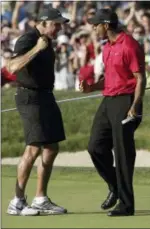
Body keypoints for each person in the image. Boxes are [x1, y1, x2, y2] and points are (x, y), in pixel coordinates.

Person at [80, 9, 146, 217]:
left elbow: (140, 78)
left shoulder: (129, 45)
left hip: (126, 101)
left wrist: (135, 105)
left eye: (96, 25)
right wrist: (92, 87)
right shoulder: (107, 47)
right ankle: (115, 186)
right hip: (108, 100)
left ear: (106, 25)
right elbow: (109, 78)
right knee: (95, 147)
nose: (94, 28)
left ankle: (126, 205)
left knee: (123, 154)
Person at [6, 7, 70, 216]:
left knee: (51, 147)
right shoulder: (28, 39)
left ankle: (40, 198)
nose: (59, 28)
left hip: (45, 96)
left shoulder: (47, 40)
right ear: (43, 22)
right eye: (56, 24)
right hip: (29, 97)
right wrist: (36, 49)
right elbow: (12, 67)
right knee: (33, 148)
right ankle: (17, 201)